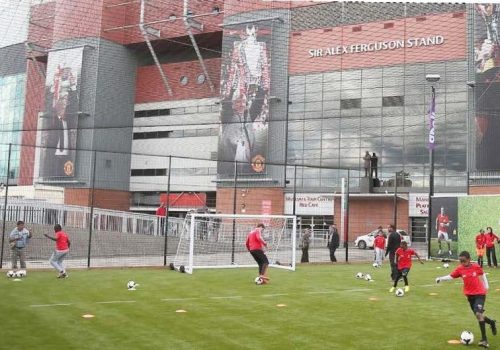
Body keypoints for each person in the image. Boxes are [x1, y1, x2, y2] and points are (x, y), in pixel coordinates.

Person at [436, 251, 497, 348]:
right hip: (470, 296)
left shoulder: (476, 266)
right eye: (460, 261)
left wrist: (486, 286)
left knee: (478, 314)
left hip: (480, 293)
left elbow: (483, 273)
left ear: (469, 259)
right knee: (479, 315)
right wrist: (441, 278)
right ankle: (491, 322)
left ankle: (484, 340)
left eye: (464, 261)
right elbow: (451, 276)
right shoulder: (460, 269)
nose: (462, 263)